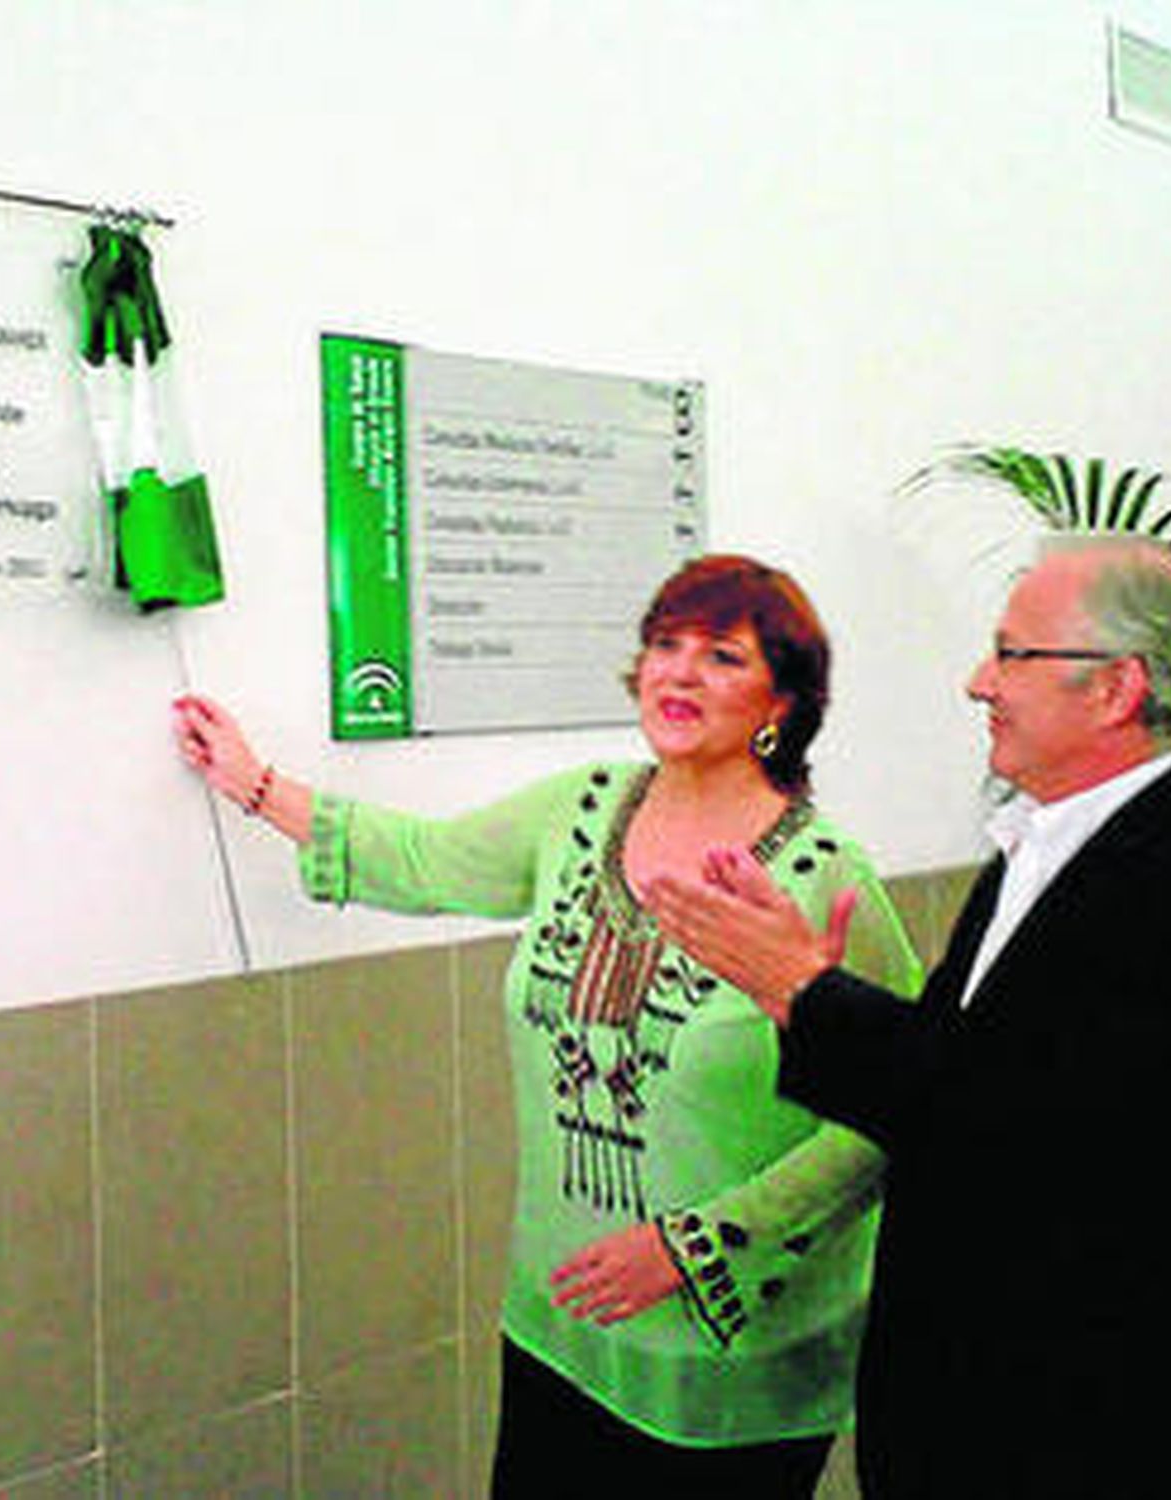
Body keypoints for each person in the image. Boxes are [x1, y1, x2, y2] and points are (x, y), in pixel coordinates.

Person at [173, 555, 921, 1497]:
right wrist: (255, 784)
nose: (681, 672)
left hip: (726, 1368)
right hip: (559, 1329)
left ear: (782, 702)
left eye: (723, 656)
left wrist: (700, 1246)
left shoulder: (824, 874)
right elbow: (425, 859)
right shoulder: (583, 809)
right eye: (666, 645)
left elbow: (897, 1112)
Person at [645, 537, 1171, 1499]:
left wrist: (805, 992)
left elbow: (1027, 1135)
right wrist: (801, 985)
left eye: (1012, 654)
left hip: (1076, 1430)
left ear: (1117, 689)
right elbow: (961, 1068)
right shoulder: (1045, 842)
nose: (980, 682)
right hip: (974, 1404)